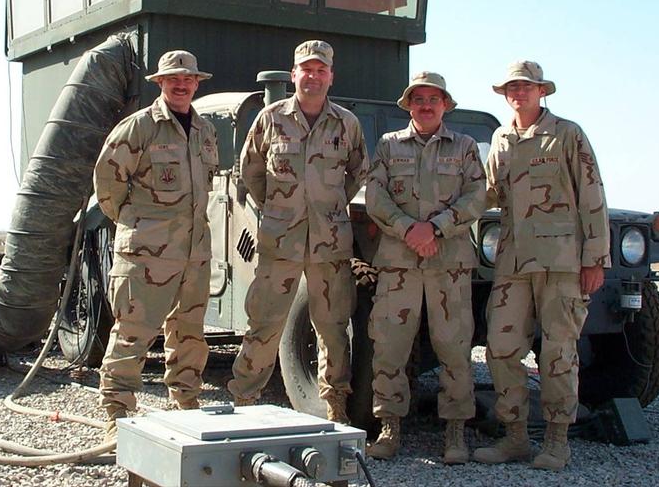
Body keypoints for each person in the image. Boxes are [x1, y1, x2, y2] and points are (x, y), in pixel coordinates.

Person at [475, 60, 609, 471]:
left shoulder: (566, 134)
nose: (519, 93)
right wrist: (444, 207)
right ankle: (514, 437)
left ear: (541, 91)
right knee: (500, 349)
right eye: (512, 88)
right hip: (513, 262)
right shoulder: (501, 138)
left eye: (526, 87)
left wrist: (595, 259)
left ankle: (556, 442)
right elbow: (490, 192)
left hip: (562, 262)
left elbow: (592, 194)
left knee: (557, 353)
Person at [228, 40, 368, 423]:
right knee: (264, 323)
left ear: (330, 76)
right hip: (281, 242)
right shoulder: (271, 119)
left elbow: (357, 173)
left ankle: (334, 404)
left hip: (330, 244)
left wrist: (329, 208)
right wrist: (278, 209)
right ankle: (245, 398)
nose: (314, 76)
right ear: (294, 75)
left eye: (321, 70)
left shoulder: (346, 124)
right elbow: (251, 171)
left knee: (333, 327)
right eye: (307, 69)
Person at [92, 50, 218, 445]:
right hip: (147, 255)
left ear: (196, 83)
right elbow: (108, 184)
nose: (181, 85)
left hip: (194, 254)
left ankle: (186, 403)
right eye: (173, 79)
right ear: (160, 83)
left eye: (188, 79)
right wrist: (139, 225)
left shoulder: (204, 130)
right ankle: (118, 413)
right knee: (133, 333)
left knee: (190, 335)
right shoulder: (140, 128)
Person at [364, 72, 487, 464]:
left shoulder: (465, 148)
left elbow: (476, 197)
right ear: (409, 105)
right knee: (389, 347)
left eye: (434, 99)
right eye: (419, 99)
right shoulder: (388, 146)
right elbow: (375, 195)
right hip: (399, 265)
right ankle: (389, 426)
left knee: (454, 347)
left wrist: (435, 228)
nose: (427, 105)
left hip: (448, 264)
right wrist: (408, 230)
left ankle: (455, 432)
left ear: (445, 105)